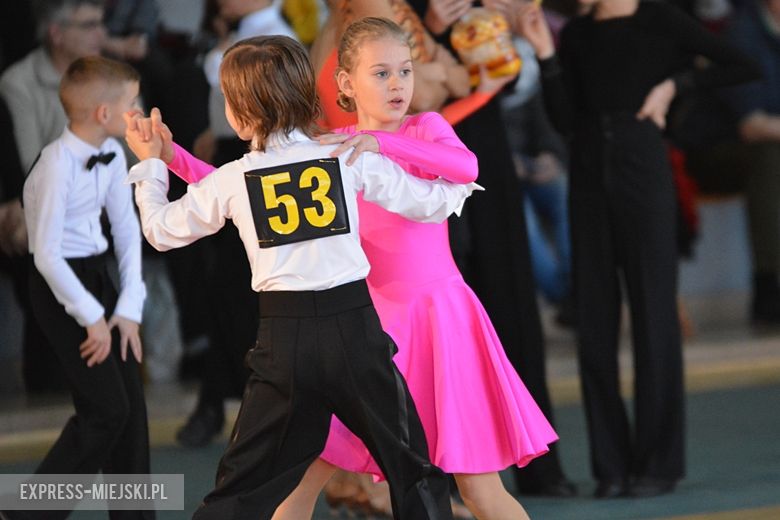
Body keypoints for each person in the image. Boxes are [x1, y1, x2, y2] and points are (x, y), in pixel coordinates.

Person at [145, 17, 557, 520]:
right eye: (381, 73)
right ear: (344, 82)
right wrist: (174, 159)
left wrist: (384, 143)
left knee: (477, 488)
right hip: (361, 328)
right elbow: (252, 191)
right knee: (299, 484)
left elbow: (466, 168)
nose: (397, 84)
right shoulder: (332, 150)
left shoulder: (421, 130)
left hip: (434, 326)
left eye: (405, 71)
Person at [516, 0, 761, 498]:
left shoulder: (660, 18)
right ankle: (611, 466)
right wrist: (545, 54)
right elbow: (565, 119)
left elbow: (743, 63)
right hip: (587, 174)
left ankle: (659, 464)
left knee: (654, 318)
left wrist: (676, 86)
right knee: (595, 324)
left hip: (642, 168)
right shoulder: (579, 33)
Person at [407, 0, 577, 498]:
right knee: (437, 325)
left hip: (485, 152)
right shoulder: (405, 11)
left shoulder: (484, 10)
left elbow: (509, 68)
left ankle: (541, 466)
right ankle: (443, 477)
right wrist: (433, 31)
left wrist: (508, 21)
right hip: (420, 157)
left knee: (514, 308)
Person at [3, 56, 151, 520]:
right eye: (131, 105)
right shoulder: (55, 165)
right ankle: (27, 512)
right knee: (106, 410)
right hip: (58, 288)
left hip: (99, 279)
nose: (138, 114)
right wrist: (92, 318)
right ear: (104, 115)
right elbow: (45, 255)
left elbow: (127, 230)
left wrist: (128, 307)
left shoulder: (109, 157)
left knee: (132, 415)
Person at [173, 0, 300, 448]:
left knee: (241, 288)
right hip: (235, 153)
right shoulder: (240, 31)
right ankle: (223, 405)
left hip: (258, 159)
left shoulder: (276, 36)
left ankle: (240, 409)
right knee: (226, 290)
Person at [0, 0, 107, 394]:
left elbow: (135, 158)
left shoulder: (111, 77)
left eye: (101, 23)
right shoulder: (18, 81)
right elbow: (30, 167)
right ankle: (56, 380)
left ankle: (72, 378)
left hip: (103, 203)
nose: (101, 33)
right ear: (56, 33)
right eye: (89, 24)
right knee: (37, 234)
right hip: (48, 203)